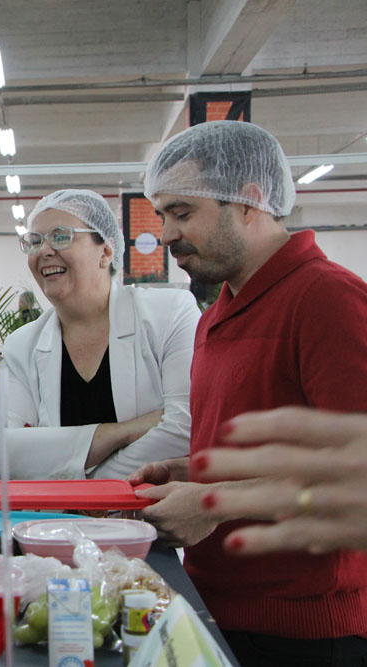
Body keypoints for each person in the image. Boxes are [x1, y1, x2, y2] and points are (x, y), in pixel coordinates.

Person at [131, 120, 367, 664]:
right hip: (219, 607)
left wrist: (215, 502)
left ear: (249, 202)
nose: (165, 235)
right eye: (162, 215)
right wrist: (195, 471)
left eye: (182, 213)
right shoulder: (219, 315)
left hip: (308, 634)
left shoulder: (327, 300)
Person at [0, 190, 198, 480]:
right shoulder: (23, 344)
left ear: (106, 252)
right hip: (58, 524)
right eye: (34, 241)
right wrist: (123, 432)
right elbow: (2, 449)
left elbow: (185, 426)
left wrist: (86, 487)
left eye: (61, 236)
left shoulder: (169, 315)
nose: (44, 251)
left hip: (154, 516)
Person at [194, 406, 367, 555]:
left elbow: (339, 468)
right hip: (215, 574)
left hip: (295, 582)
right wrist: (192, 469)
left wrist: (210, 500)